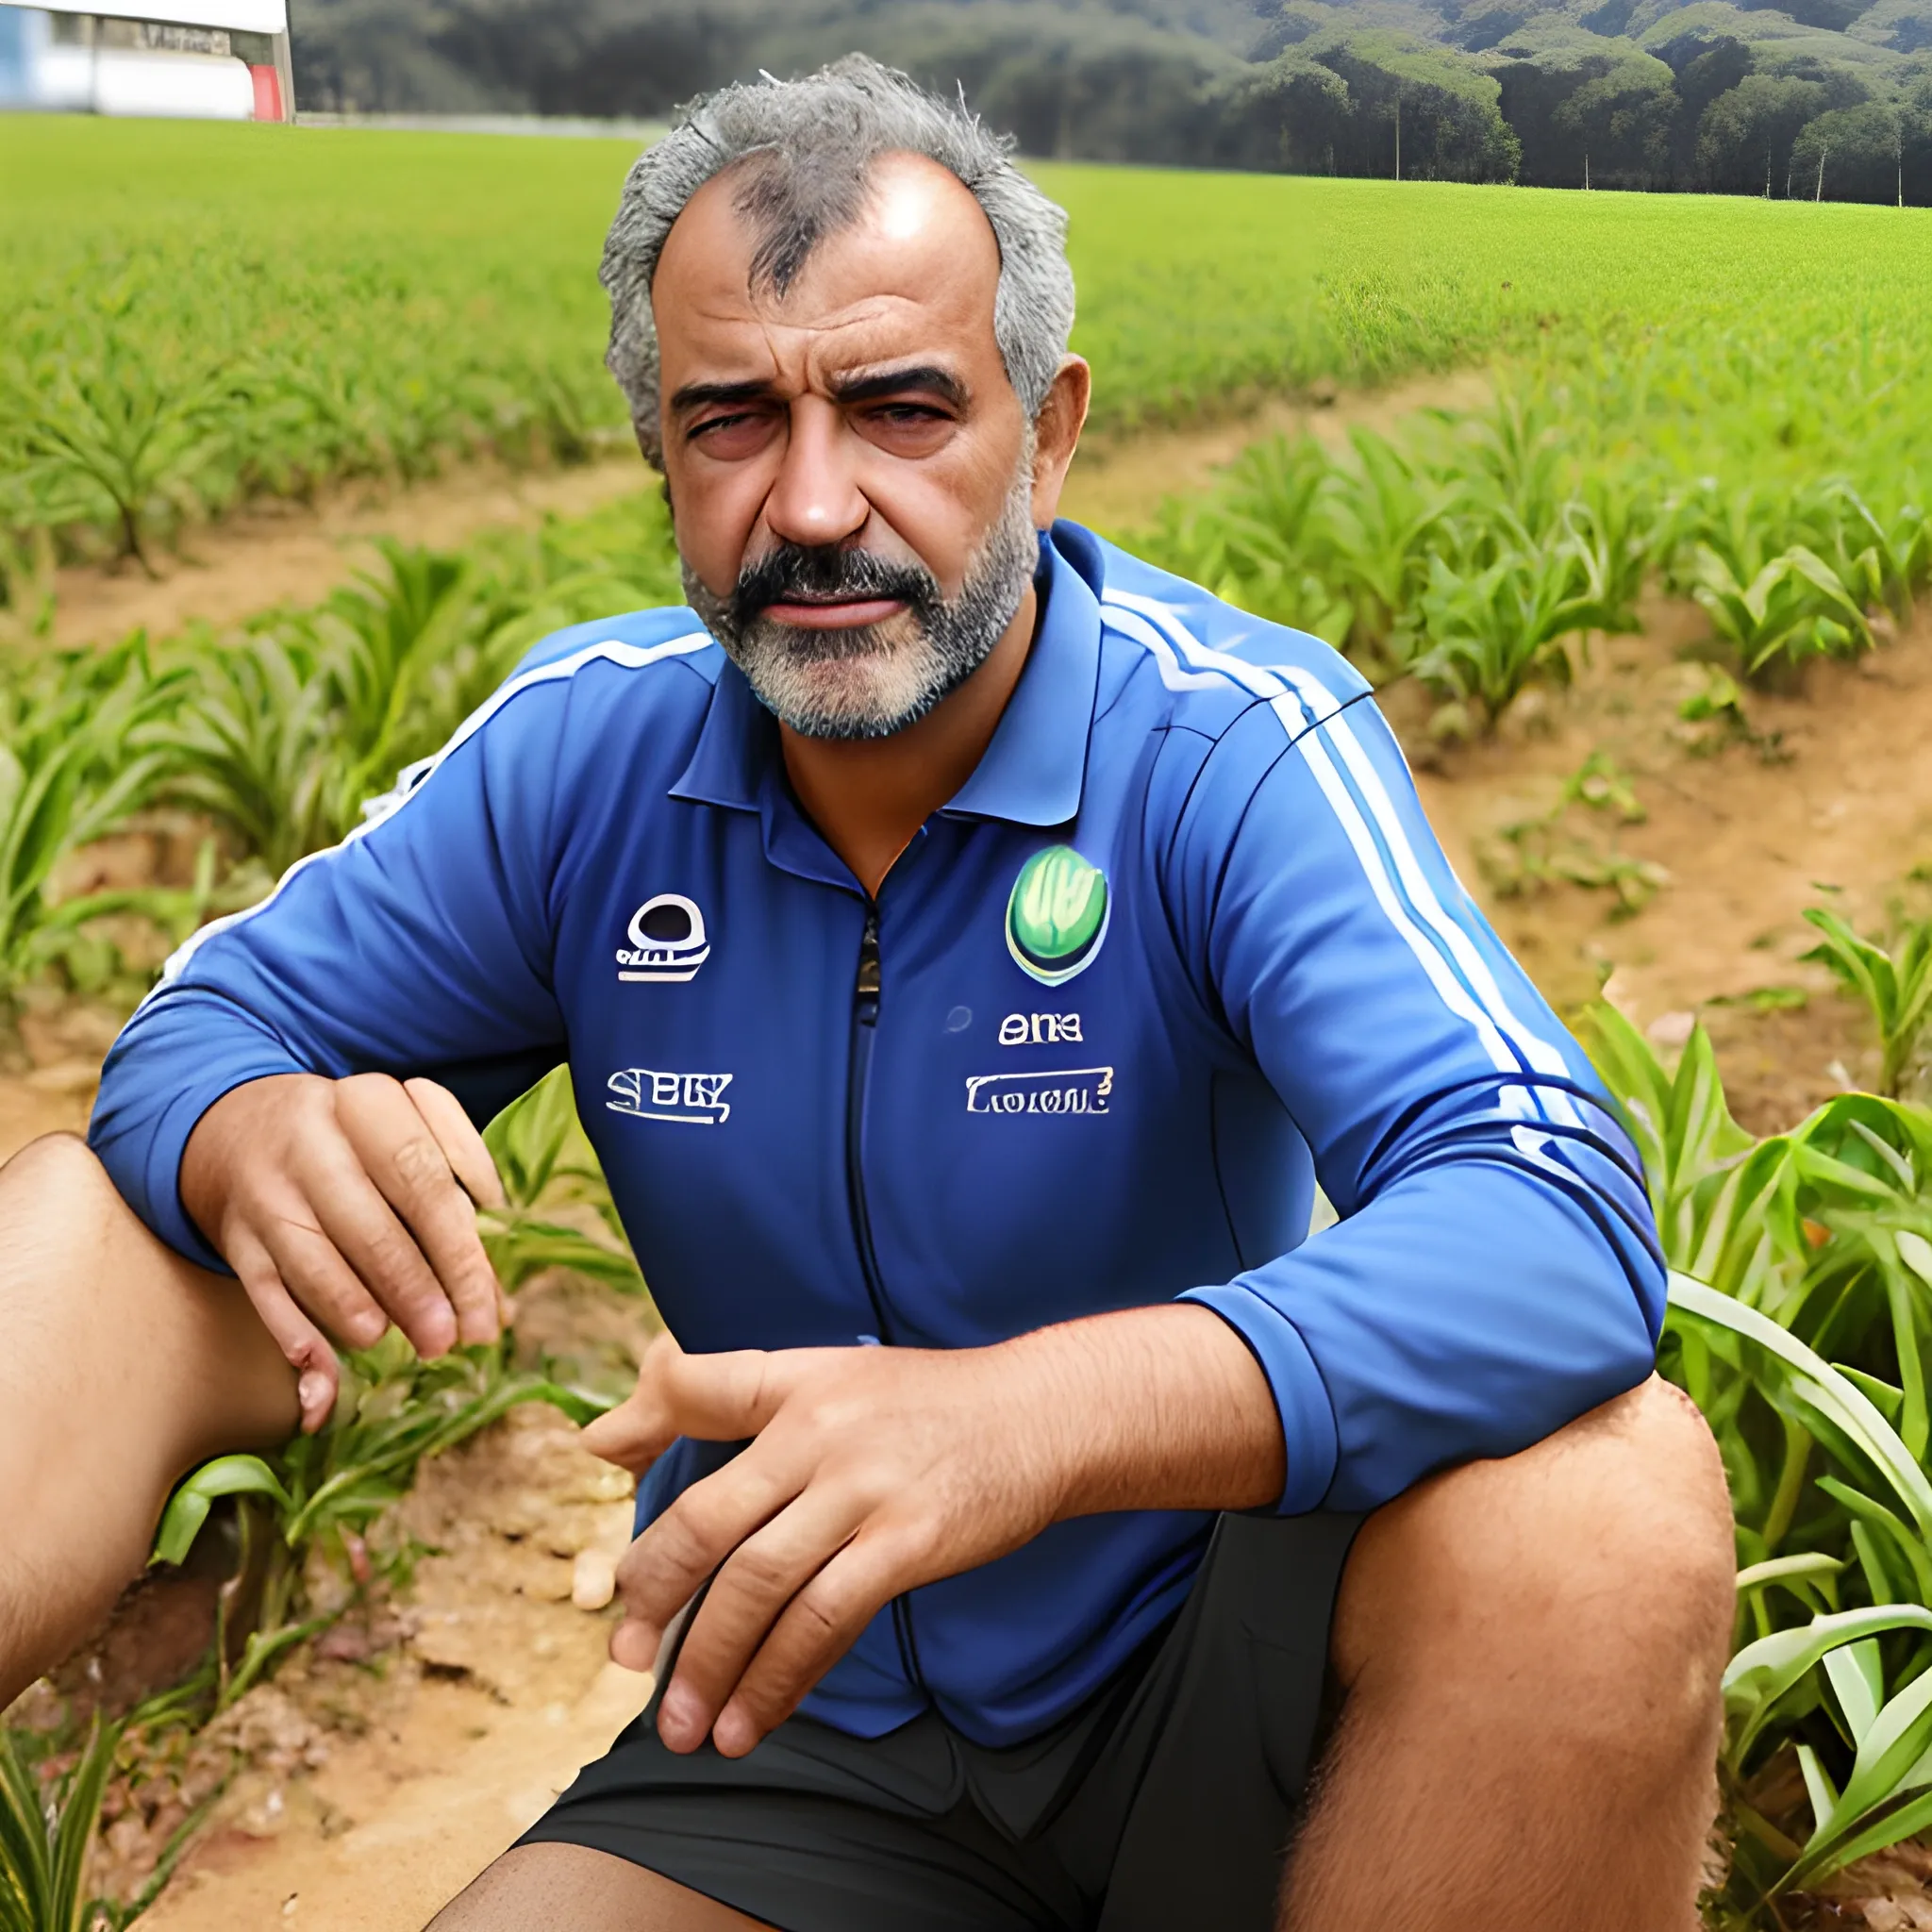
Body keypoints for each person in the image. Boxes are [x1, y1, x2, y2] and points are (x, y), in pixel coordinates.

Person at [0, 57, 1734, 1932]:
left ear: (1048, 429)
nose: (814, 504)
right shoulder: (590, 758)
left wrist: (1019, 1420)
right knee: (87, 1218)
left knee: (1608, 1508)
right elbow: (189, 1032)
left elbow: (1551, 1207)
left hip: (1221, 1687)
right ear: (659, 447)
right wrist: (257, 1128)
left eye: (903, 408)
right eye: (732, 421)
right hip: (803, 1727)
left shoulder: (1225, 746)